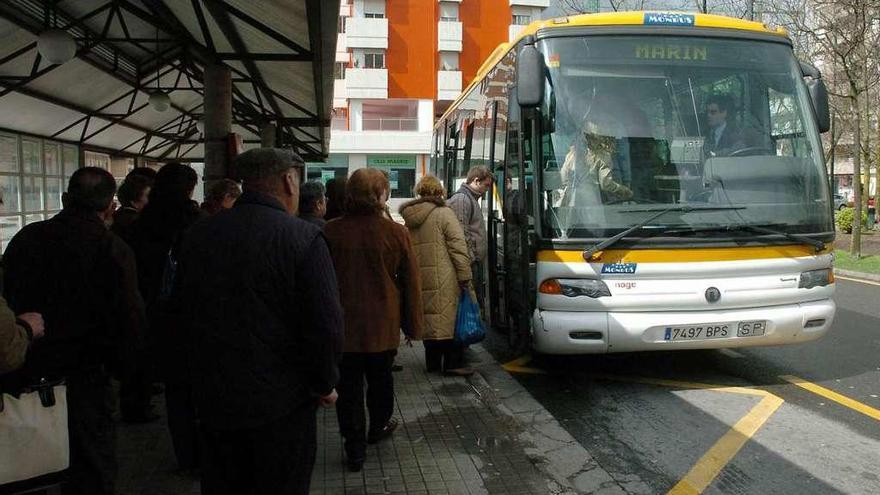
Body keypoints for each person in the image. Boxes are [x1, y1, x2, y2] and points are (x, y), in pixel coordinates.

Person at [173, 149, 342, 494]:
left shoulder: (199, 235)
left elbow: (179, 312)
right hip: (282, 404)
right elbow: (325, 324)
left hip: (215, 399)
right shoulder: (303, 238)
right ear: (289, 181)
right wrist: (324, 382)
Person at [2, 167, 146, 495]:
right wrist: (128, 369)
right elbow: (128, 315)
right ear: (110, 205)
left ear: (66, 198)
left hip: (31, 364)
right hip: (87, 371)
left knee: (32, 460)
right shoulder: (112, 248)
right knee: (92, 462)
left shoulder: (26, 238)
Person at [324, 168, 423, 472]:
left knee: (348, 388)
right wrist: (412, 326)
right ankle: (377, 426)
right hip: (383, 323)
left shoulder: (330, 231)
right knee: (381, 380)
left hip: (343, 326)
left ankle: (354, 448)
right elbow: (410, 283)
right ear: (381, 196)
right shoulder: (396, 233)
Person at [128, 162, 203, 470]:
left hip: (156, 315)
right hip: (194, 316)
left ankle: (186, 455)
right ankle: (205, 452)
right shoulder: (193, 221)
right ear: (188, 188)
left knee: (178, 393)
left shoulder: (142, 222)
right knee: (201, 388)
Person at [400, 176, 473, 376]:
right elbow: (458, 247)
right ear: (439, 192)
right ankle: (451, 364)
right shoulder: (444, 214)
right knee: (448, 320)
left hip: (420, 276)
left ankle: (432, 364)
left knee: (429, 320)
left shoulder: (410, 217)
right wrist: (465, 275)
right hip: (444, 277)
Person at [447, 165, 494, 309]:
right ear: (476, 181)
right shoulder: (462, 199)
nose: (487, 189)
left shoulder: (470, 198)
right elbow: (461, 234)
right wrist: (471, 260)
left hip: (473, 263)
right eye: (486, 185)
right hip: (470, 264)